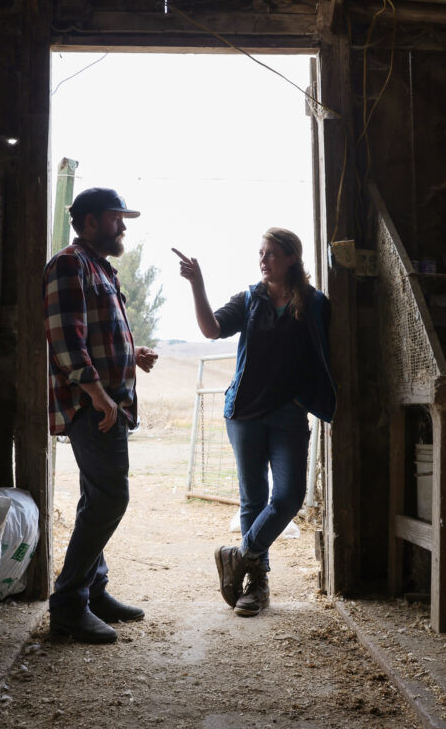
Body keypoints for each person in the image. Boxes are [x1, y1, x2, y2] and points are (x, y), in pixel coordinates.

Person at [174, 228, 335, 617]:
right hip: (244, 414)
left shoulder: (314, 303)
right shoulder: (250, 299)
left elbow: (326, 356)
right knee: (253, 500)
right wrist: (197, 284)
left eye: (272, 254)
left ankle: (239, 554)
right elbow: (211, 329)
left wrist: (305, 398)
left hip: (288, 414)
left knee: (288, 497)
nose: (263, 261)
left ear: (292, 258)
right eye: (260, 254)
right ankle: (256, 583)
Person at [43, 187, 158, 644]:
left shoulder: (98, 268)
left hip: (104, 401)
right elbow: (65, 340)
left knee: (97, 497)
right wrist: (98, 395)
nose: (123, 227)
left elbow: (96, 336)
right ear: (88, 223)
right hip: (92, 406)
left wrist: (133, 357)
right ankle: (69, 604)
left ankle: (93, 590)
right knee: (110, 499)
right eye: (115, 219)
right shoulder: (68, 264)